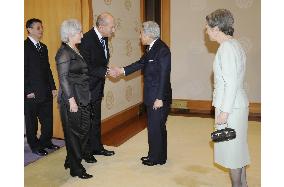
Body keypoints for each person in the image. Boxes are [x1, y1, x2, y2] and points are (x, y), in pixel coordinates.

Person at [112, 21, 172, 166]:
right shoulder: (151, 48)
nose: (139, 36)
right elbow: (140, 64)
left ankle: (155, 158)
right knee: (155, 127)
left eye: (141, 33)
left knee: (155, 128)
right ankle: (157, 156)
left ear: (149, 34)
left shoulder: (162, 50)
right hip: (152, 96)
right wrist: (121, 70)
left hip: (158, 97)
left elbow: (165, 75)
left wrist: (159, 98)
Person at [205, 9, 250, 187]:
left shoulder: (226, 48)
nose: (206, 31)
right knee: (237, 153)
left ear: (217, 28)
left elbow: (230, 83)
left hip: (231, 108)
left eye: (208, 28)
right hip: (236, 105)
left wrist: (224, 112)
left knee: (232, 156)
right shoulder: (234, 44)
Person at [55, 19, 93, 179]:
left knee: (84, 129)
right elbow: (63, 78)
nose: (82, 35)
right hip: (72, 98)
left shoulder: (75, 50)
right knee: (74, 134)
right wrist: (71, 100)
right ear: (70, 34)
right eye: (79, 32)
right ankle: (76, 169)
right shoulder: (63, 52)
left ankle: (71, 159)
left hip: (82, 95)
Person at [79, 12, 116, 161]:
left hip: (98, 86)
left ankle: (97, 147)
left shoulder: (103, 38)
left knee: (96, 120)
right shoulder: (86, 39)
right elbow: (86, 66)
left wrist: (106, 70)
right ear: (101, 26)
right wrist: (107, 71)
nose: (113, 30)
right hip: (86, 88)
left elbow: (100, 62)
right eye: (112, 27)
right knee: (86, 122)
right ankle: (86, 152)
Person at [24, 18, 59, 156]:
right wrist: (27, 90)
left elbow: (48, 69)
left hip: (45, 91)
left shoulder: (43, 47)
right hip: (31, 93)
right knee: (32, 122)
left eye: (42, 27)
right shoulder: (23, 47)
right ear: (29, 29)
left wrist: (53, 86)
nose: (41, 30)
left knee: (47, 120)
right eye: (38, 28)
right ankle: (34, 146)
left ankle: (46, 142)